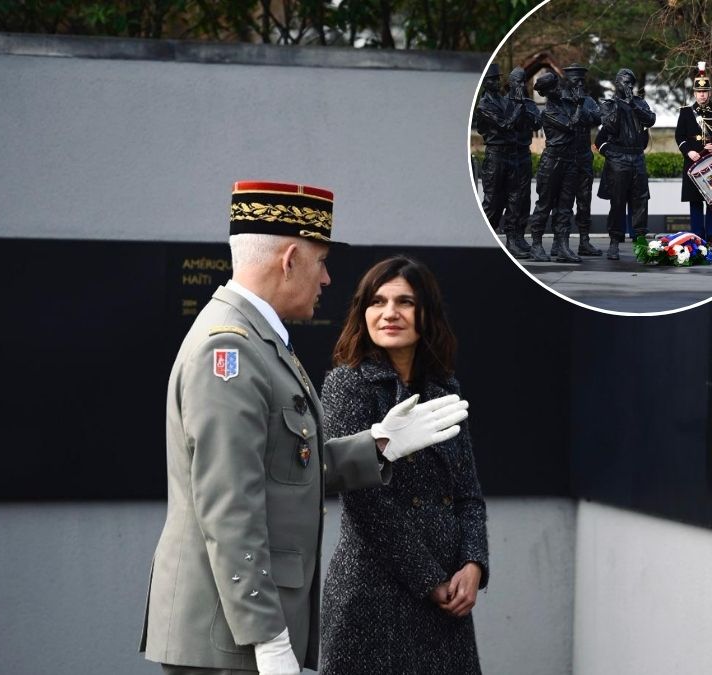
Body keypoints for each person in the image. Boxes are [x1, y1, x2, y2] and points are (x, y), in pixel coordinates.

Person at [141, 181, 470, 675]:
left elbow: (288, 467)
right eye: (321, 261)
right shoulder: (228, 350)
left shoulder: (260, 341)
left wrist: (379, 444)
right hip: (229, 636)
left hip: (238, 632)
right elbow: (228, 506)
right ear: (290, 259)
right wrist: (267, 636)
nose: (327, 278)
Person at [320, 256, 488, 675]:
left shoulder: (443, 388)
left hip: (448, 597)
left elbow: (468, 493)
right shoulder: (347, 384)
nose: (390, 313)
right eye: (377, 302)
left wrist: (473, 565)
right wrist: (429, 580)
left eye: (405, 302)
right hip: (375, 594)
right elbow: (362, 500)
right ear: (363, 313)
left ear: (426, 313)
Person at [526, 71, 600, 263]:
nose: (558, 89)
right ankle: (536, 245)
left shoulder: (567, 104)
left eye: (558, 85)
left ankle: (563, 246)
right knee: (544, 204)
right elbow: (571, 125)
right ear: (546, 92)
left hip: (570, 161)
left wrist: (580, 105)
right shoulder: (548, 112)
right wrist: (579, 106)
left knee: (565, 206)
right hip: (553, 162)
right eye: (554, 88)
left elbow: (591, 119)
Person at [596, 68, 655, 260]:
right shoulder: (609, 104)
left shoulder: (639, 102)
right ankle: (614, 242)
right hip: (618, 160)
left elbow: (650, 119)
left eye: (632, 83)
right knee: (618, 202)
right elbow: (611, 126)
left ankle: (640, 243)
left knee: (641, 201)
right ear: (617, 83)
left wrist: (633, 104)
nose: (629, 86)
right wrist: (610, 153)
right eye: (625, 82)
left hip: (637, 158)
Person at [675, 61, 712, 243]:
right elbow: (679, 136)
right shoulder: (686, 112)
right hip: (693, 160)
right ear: (694, 93)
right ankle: (698, 235)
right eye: (699, 91)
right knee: (695, 200)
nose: (702, 95)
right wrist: (688, 152)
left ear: (709, 92)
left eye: (705, 91)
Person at [474, 64, 526, 249]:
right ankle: (482, 238)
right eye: (492, 80)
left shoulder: (505, 101)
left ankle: (511, 240)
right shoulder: (483, 105)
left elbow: (518, 125)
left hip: (512, 153)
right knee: (493, 201)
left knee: (515, 198)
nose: (497, 82)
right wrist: (519, 105)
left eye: (497, 79)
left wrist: (520, 104)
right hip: (496, 155)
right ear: (485, 83)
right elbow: (505, 124)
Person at [561, 63, 604, 256]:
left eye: (581, 81)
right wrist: (581, 112)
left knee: (584, 200)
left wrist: (582, 109)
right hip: (566, 156)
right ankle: (561, 243)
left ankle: (584, 241)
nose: (579, 84)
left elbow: (598, 118)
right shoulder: (560, 100)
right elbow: (568, 123)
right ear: (567, 81)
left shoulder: (588, 100)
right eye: (575, 80)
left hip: (584, 156)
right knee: (564, 201)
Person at [502, 66, 541, 258]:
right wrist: (517, 107)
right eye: (517, 81)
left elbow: (537, 124)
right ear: (510, 83)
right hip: (508, 154)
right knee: (512, 197)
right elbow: (505, 125)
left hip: (524, 154)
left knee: (525, 197)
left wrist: (524, 107)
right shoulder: (503, 103)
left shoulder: (529, 104)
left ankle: (520, 235)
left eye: (523, 82)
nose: (520, 85)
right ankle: (510, 237)